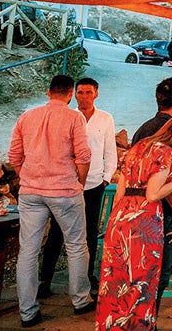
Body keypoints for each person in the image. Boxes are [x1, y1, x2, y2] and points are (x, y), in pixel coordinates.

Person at [97, 117, 172, 331]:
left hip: (121, 217)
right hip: (144, 219)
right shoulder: (166, 153)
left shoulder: (139, 147)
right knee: (141, 282)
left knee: (116, 280)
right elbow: (154, 194)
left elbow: (120, 190)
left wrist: (114, 221)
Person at [9, 74, 95, 327]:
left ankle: (27, 312)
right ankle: (80, 300)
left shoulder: (27, 116)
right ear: (70, 94)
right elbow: (83, 156)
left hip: (31, 192)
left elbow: (14, 156)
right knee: (77, 246)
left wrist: (27, 176)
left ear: (48, 92)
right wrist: (79, 182)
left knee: (28, 251)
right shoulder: (74, 117)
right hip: (64, 191)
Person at [39, 77, 117, 298]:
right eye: (80, 92)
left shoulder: (105, 119)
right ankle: (45, 278)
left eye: (88, 92)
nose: (84, 96)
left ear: (96, 94)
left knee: (89, 232)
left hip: (93, 183)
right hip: (66, 183)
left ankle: (87, 275)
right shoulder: (68, 116)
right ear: (74, 94)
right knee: (56, 232)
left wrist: (106, 177)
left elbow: (109, 150)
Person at [131, 77, 172, 305]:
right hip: (161, 212)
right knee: (161, 272)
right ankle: (148, 319)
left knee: (138, 271)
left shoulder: (142, 129)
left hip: (135, 210)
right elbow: (170, 181)